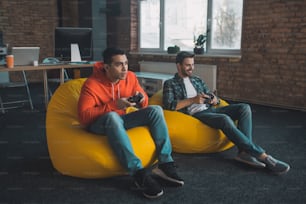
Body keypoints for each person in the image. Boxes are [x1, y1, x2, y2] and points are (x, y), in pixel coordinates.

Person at [77, 48, 183, 199]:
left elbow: (144, 101)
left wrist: (141, 100)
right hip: (98, 124)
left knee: (155, 110)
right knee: (112, 116)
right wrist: (113, 105)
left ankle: (165, 163)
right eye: (119, 64)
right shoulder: (91, 84)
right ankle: (138, 173)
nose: (125, 68)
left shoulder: (130, 77)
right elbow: (83, 117)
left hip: (121, 119)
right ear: (107, 67)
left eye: (126, 63)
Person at [162, 51, 290, 175]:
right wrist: (193, 100)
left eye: (193, 64)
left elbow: (213, 98)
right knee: (224, 119)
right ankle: (262, 156)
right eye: (188, 65)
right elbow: (169, 105)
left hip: (210, 109)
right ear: (179, 65)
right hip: (197, 114)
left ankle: (244, 153)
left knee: (244, 107)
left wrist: (214, 100)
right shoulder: (170, 83)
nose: (192, 68)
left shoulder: (197, 80)